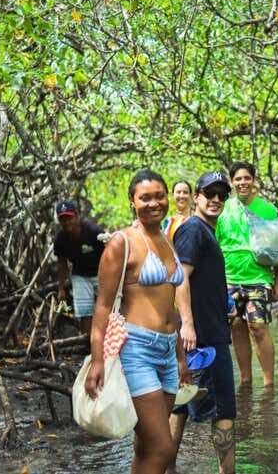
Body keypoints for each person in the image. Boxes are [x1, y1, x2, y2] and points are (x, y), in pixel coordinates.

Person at [84, 170, 186, 474]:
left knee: (146, 447)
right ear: (132, 201)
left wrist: (180, 356)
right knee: (163, 448)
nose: (154, 203)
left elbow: (171, 302)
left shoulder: (168, 239)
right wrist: (97, 361)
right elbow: (102, 305)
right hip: (136, 350)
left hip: (167, 351)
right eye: (145, 198)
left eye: (159, 196)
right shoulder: (121, 242)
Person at [168, 171, 236, 474]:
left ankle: (164, 468)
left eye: (222, 195)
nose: (216, 200)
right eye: (210, 194)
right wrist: (188, 325)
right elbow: (180, 278)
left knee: (180, 405)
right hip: (205, 338)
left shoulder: (204, 231)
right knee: (223, 411)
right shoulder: (194, 230)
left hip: (205, 333)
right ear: (196, 197)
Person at [216, 161, 278, 386]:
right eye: (238, 179)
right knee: (236, 326)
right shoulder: (223, 209)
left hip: (259, 278)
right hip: (229, 278)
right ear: (232, 182)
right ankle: (245, 380)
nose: (242, 182)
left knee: (258, 327)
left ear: (254, 181)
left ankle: (268, 381)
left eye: (247, 178)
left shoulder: (267, 209)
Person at [53, 201, 105, 335]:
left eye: (69, 218)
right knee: (84, 310)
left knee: (105, 308)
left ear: (76, 217)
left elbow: (109, 252)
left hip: (101, 273)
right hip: (80, 275)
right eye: (62, 219)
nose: (66, 222)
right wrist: (61, 288)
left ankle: (107, 341)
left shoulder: (93, 231)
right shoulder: (60, 239)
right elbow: (62, 263)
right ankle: (86, 342)